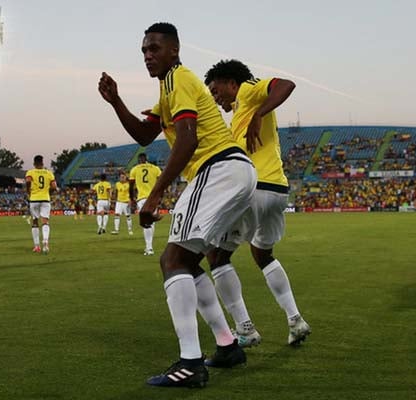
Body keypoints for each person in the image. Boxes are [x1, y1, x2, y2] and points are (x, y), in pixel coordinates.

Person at [99, 22, 257, 388]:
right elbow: (144, 134)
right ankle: (227, 344)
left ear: (174, 50)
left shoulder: (178, 79)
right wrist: (116, 101)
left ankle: (190, 361)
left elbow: (187, 139)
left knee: (171, 260)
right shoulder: (167, 91)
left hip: (217, 169)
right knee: (187, 261)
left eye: (154, 48)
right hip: (233, 172)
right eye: (143, 51)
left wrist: (155, 193)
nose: (148, 56)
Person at [204, 59, 310, 346]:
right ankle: (295, 320)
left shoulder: (248, 92)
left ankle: (245, 329)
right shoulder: (238, 115)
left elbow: (286, 85)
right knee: (263, 254)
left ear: (231, 83)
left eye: (216, 91)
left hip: (252, 190)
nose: (215, 98)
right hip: (276, 190)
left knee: (216, 257)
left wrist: (259, 113)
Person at [129, 153, 161, 253]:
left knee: (146, 222)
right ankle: (149, 246)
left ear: (139, 159)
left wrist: (132, 198)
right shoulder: (155, 168)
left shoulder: (135, 169)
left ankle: (149, 248)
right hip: (153, 198)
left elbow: (131, 186)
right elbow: (161, 182)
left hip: (142, 198)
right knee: (151, 222)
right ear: (147, 159)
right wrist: (160, 197)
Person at [25, 155, 57, 253]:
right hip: (45, 199)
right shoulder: (49, 173)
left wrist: (28, 191)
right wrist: (48, 193)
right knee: (45, 221)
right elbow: (54, 186)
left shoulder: (30, 172)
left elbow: (28, 181)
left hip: (34, 199)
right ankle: (46, 243)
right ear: (43, 163)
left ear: (34, 163)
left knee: (35, 222)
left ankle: (37, 246)